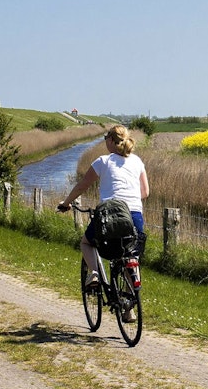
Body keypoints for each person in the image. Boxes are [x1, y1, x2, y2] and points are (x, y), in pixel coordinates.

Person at [57, 125, 150, 320]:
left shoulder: (103, 161)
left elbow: (83, 185)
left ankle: (94, 273)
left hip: (110, 214)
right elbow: (145, 193)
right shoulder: (137, 161)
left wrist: (66, 203)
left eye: (106, 138)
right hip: (134, 215)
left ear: (110, 141)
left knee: (86, 242)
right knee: (127, 256)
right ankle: (128, 308)